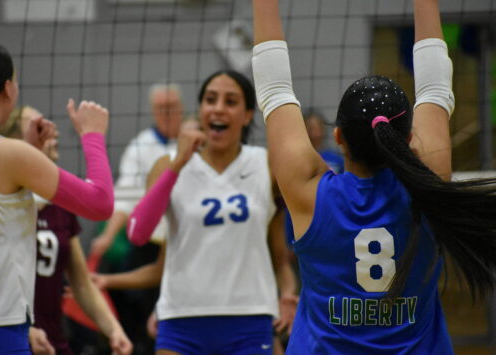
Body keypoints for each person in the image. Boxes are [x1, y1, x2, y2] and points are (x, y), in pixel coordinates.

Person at [252, 0, 496, 353]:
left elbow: (273, 90)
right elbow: (435, 88)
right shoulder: (429, 187)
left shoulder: (309, 193)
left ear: (338, 138)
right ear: (410, 139)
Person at [0, 41, 127, 354]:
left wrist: (31, 154)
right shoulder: (5, 152)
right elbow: (100, 203)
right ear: (8, 88)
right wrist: (92, 135)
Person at [126, 70, 298, 355]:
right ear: (201, 110)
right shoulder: (167, 164)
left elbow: (280, 257)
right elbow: (138, 234)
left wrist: (289, 292)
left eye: (230, 102)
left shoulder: (266, 165)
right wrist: (178, 164)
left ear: (246, 115)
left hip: (250, 318)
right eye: (210, 100)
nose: (218, 108)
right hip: (181, 321)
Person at [0, 106, 132, 355]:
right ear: (16, 144)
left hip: (54, 342)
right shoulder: (3, 202)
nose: (53, 131)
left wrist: (114, 329)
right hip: (14, 341)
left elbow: (81, 283)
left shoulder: (61, 205)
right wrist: (24, 330)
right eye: (39, 126)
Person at [90, 82, 183, 355]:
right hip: (151, 248)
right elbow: (124, 198)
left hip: (185, 246)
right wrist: (107, 237)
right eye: (160, 108)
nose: (166, 113)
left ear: (182, 109)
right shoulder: (140, 146)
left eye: (171, 107)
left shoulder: (197, 141)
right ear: (153, 111)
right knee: (145, 320)